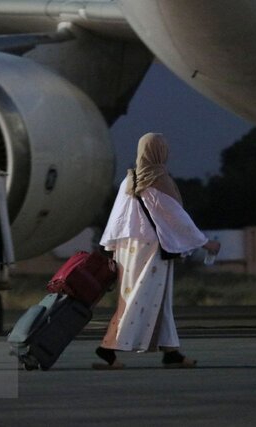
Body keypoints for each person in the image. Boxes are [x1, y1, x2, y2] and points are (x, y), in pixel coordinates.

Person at [94, 133, 221, 369]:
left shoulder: (129, 180)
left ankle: (171, 352)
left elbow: (117, 219)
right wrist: (204, 243)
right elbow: (175, 217)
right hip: (151, 250)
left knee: (153, 301)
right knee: (142, 298)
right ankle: (108, 348)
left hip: (127, 250)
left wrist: (113, 248)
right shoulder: (157, 179)